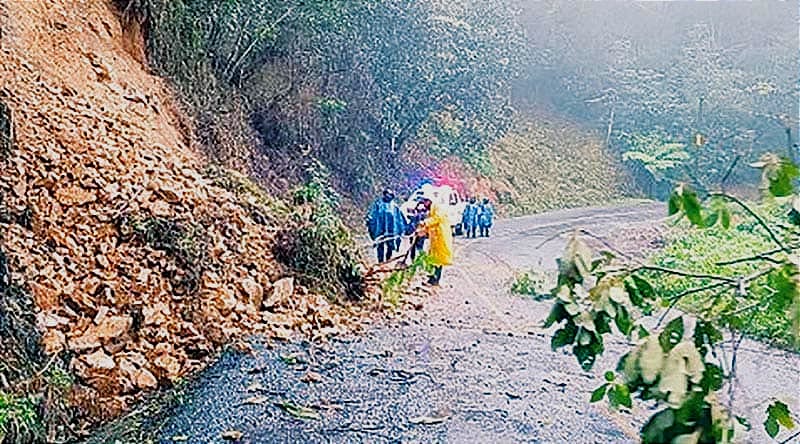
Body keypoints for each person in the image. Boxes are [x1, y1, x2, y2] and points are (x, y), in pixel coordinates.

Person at [417, 197, 453, 286]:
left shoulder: (438, 208)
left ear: (429, 201)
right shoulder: (432, 209)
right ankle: (432, 277)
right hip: (435, 238)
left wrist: (425, 222)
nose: (424, 205)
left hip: (441, 237)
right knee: (433, 258)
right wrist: (421, 231)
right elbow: (430, 224)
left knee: (438, 259)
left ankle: (435, 279)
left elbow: (436, 219)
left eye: (425, 202)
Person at [366, 188, 406, 263]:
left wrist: (401, 228)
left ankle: (387, 260)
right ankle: (380, 262)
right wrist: (369, 220)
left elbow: (399, 219)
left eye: (389, 194)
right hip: (380, 229)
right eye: (386, 194)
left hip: (391, 230)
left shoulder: (394, 207)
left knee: (390, 245)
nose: (388, 196)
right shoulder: (378, 204)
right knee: (380, 244)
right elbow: (372, 214)